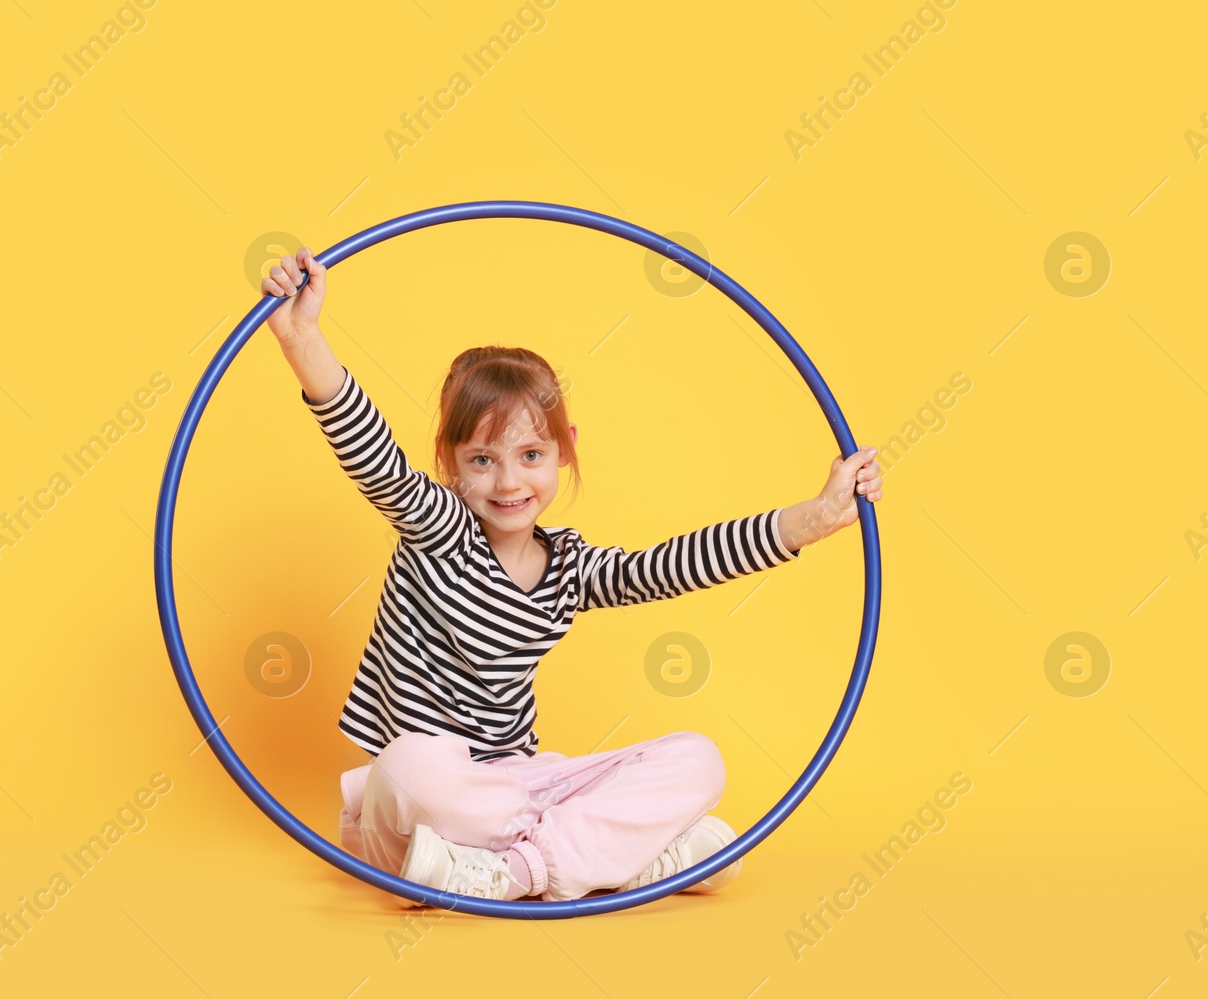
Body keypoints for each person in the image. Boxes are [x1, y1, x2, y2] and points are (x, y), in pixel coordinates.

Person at [259, 246, 883, 904]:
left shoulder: (571, 569)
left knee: (698, 758)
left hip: (523, 786)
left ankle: (517, 871)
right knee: (416, 765)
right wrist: (302, 338)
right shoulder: (438, 527)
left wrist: (812, 520)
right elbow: (373, 456)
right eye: (481, 459)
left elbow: (675, 564)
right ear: (449, 461)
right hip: (418, 810)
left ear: (564, 451)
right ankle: (627, 859)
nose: (508, 481)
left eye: (531, 454)